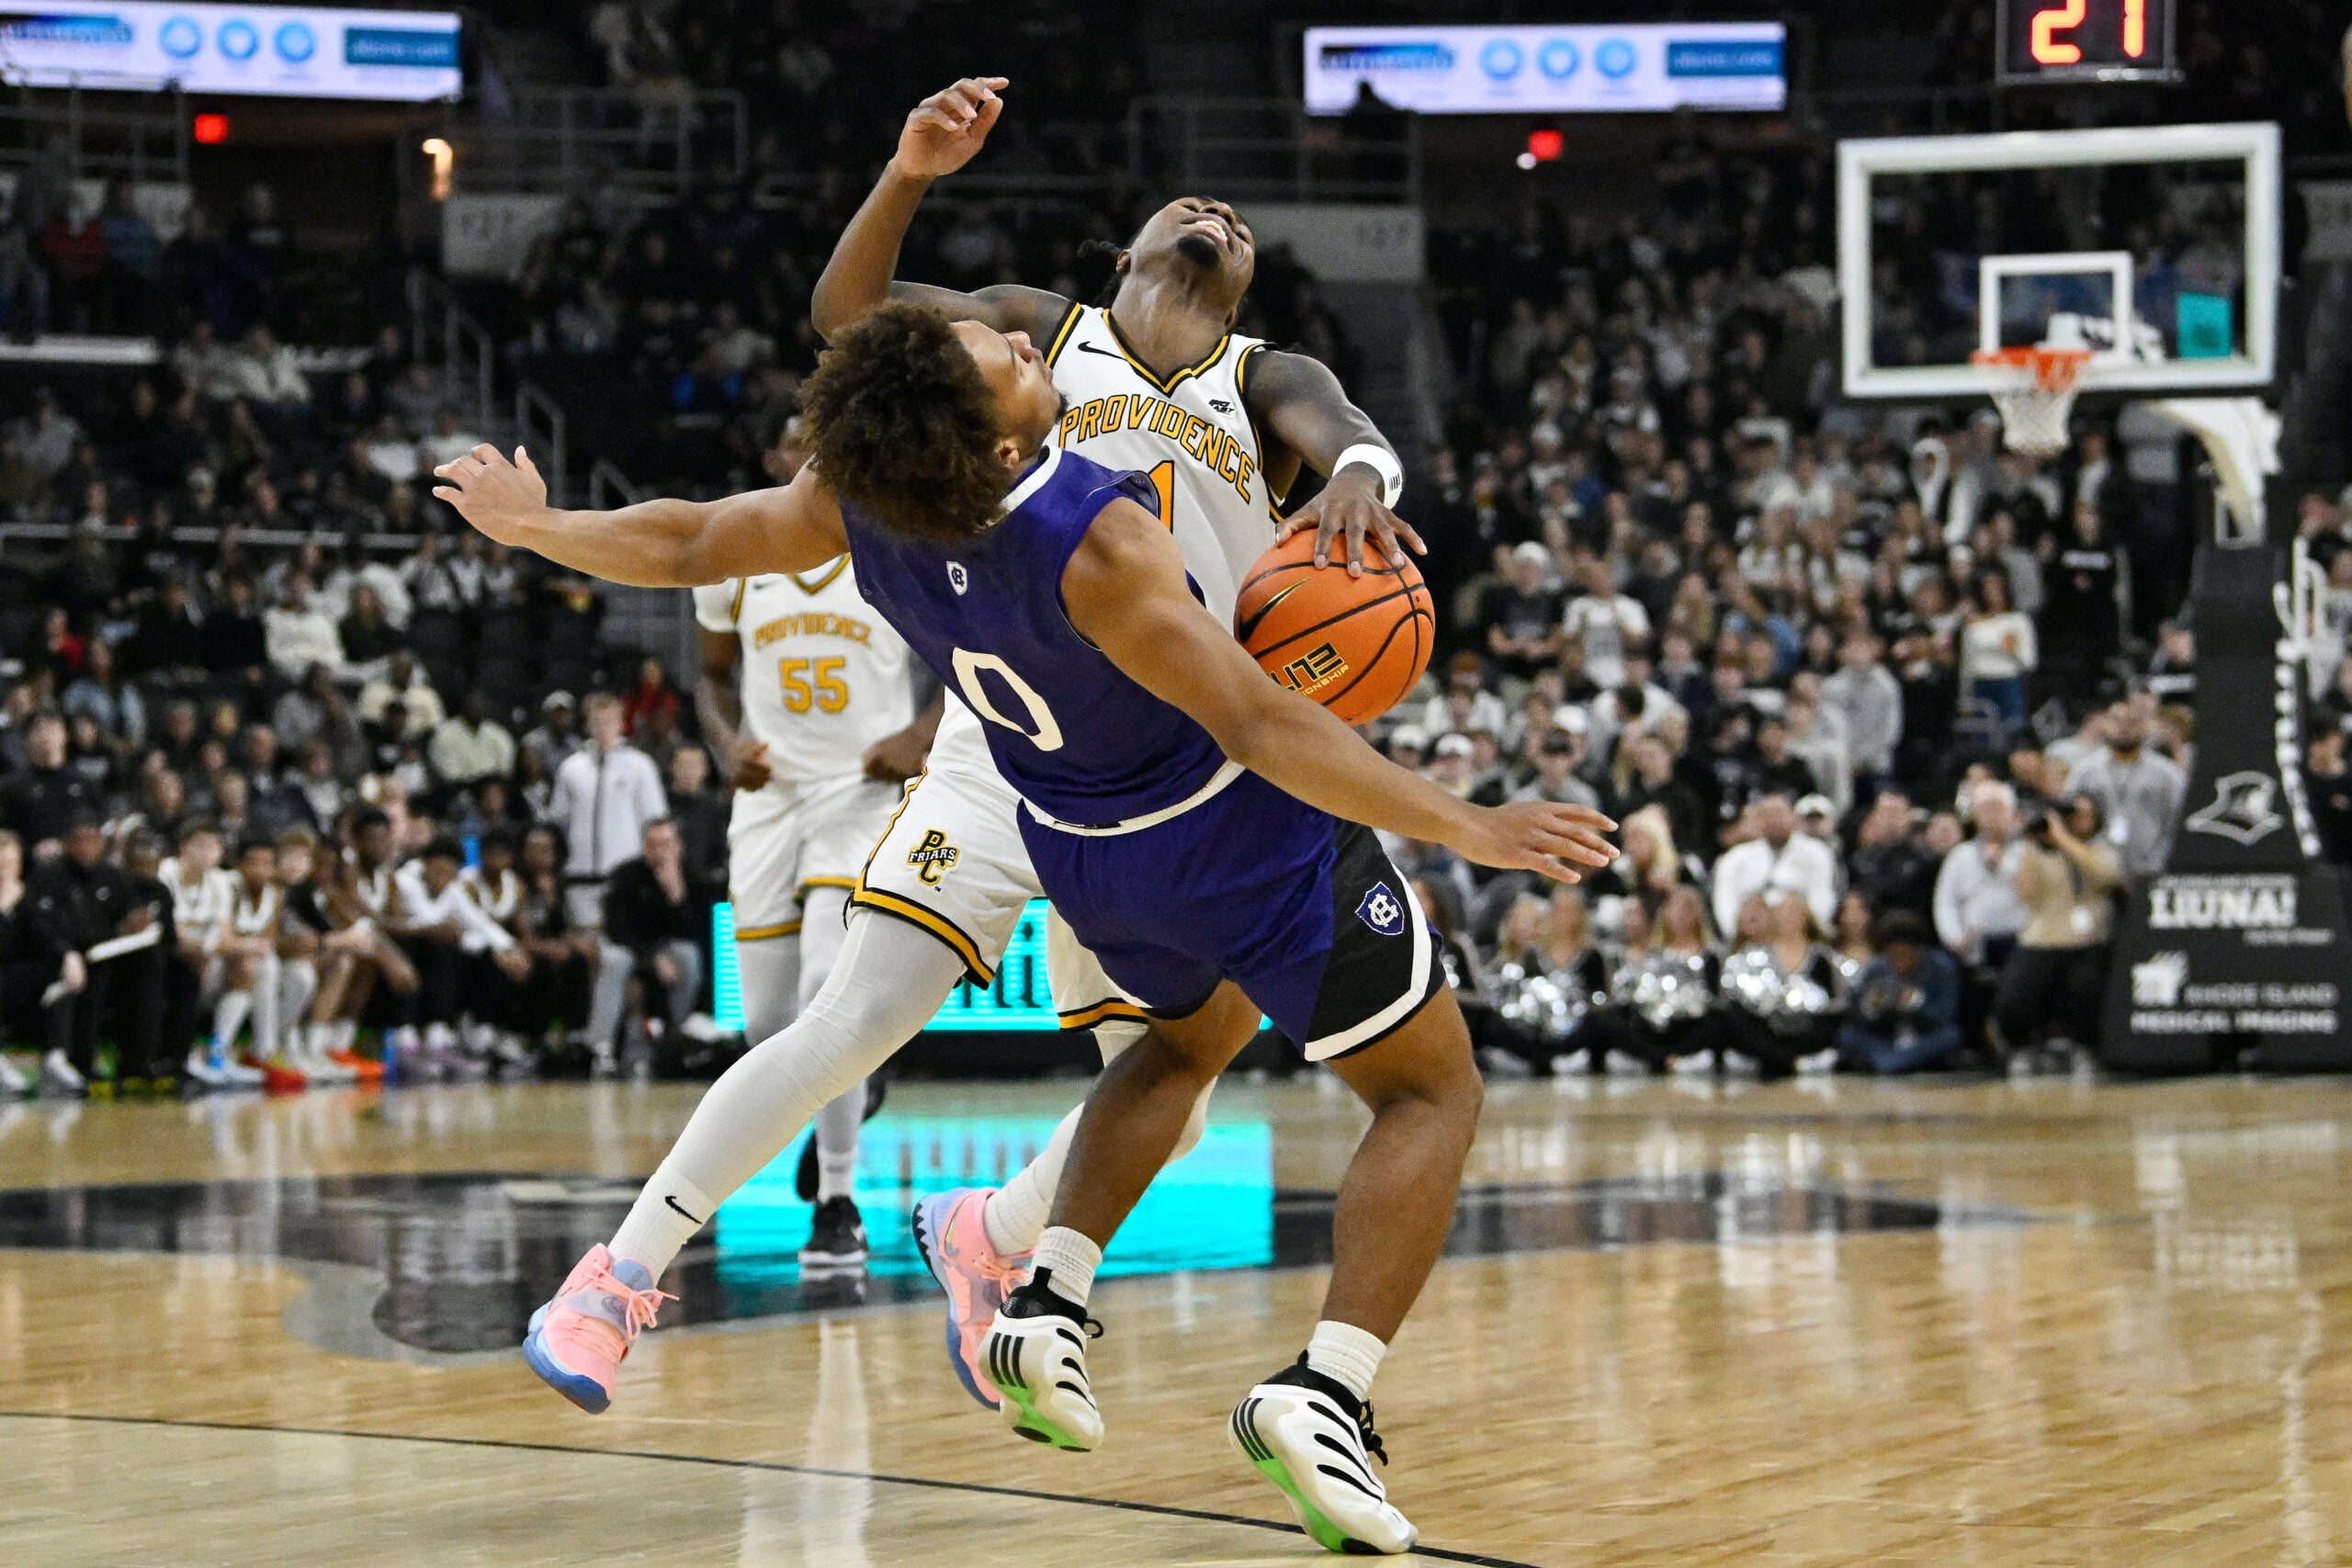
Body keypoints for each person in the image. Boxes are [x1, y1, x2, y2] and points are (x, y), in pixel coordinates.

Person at [434, 297, 1613, 1556]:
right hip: (1209, 824)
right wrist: (1466, 820)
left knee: (1181, 1059)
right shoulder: (1095, 535)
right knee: (1429, 1089)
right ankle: (1321, 1384)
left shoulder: (872, 500)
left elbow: (688, 541)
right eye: (998, 357)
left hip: (1083, 848)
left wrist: (539, 526)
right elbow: (1263, 726)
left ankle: (1018, 1264)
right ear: (994, 447)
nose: (1012, 338)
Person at [453, 75, 1441, 1472]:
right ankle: (619, 1270)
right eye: (1186, 205)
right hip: (1004, 758)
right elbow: (849, 331)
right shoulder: (1038, 338)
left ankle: (990, 1233)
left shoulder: (1259, 374)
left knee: (1179, 1076)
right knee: (850, 1021)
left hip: (1169, 773)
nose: (1214, 212)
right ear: (1117, 261)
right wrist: (908, 171)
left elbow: (1340, 418)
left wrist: (1362, 476)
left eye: (1235, 219)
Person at [692, 452, 942, 1268]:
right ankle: (857, 1084)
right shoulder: (737, 552)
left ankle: (839, 1203)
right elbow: (710, 676)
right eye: (800, 439)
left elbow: (962, 656)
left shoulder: (893, 544)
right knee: (766, 1024)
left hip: (858, 793)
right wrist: (728, 744)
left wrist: (916, 736)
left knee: (825, 991)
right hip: (770, 798)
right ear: (776, 462)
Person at [1995, 793, 2120, 1065]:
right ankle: (2022, 1048)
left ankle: (2087, 1048)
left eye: (2084, 814)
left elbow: (2104, 875)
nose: (2077, 820)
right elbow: (2026, 895)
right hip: (2042, 940)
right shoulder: (2039, 851)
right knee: (2012, 999)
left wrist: (2063, 838)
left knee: (2087, 988)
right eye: (2072, 814)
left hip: (2087, 943)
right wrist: (2033, 840)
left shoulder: (2102, 848)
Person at [592, 818, 716, 1070]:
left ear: (678, 846)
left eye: (666, 844)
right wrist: (651, 955)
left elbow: (695, 934)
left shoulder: (692, 877)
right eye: (652, 845)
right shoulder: (626, 875)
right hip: (631, 948)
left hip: (667, 951)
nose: (659, 852)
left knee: (688, 956)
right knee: (614, 960)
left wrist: (676, 897)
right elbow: (617, 928)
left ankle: (678, 1037)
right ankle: (600, 1045)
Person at [547, 692, 668, 931]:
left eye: (610, 721)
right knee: (586, 944)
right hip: (579, 876)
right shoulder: (571, 768)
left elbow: (654, 821)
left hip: (624, 878)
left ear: (621, 724)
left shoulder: (640, 766)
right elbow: (559, 820)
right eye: (597, 721)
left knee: (622, 944)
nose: (603, 728)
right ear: (587, 724)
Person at [2064, 700, 2187, 883]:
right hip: (2099, 874)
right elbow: (2067, 817)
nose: (2124, 727)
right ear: (2104, 723)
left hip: (2154, 871)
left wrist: (2165, 862)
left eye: (2132, 721)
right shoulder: (2085, 772)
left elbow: (2181, 822)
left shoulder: (2167, 774)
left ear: (2145, 726)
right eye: (2116, 721)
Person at [1837, 910, 1964, 1074]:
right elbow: (1858, 1018)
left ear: (1917, 949)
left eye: (1904, 954)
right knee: (1847, 1036)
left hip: (1923, 1038)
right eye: (1893, 955)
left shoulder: (1941, 968)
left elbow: (1946, 1018)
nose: (1899, 961)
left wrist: (1916, 1003)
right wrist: (1872, 1007)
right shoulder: (1877, 968)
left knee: (1951, 1036)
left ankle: (1893, 1062)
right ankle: (1897, 1061)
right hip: (1887, 1039)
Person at [1709, 792, 1838, 937]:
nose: (1773, 820)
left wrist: (1813, 930)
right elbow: (1725, 901)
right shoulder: (1735, 858)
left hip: (1802, 935)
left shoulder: (1817, 853)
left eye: (1779, 813)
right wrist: (1735, 935)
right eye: (1766, 814)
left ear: (1792, 816)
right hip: (1751, 937)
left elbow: (1822, 897)